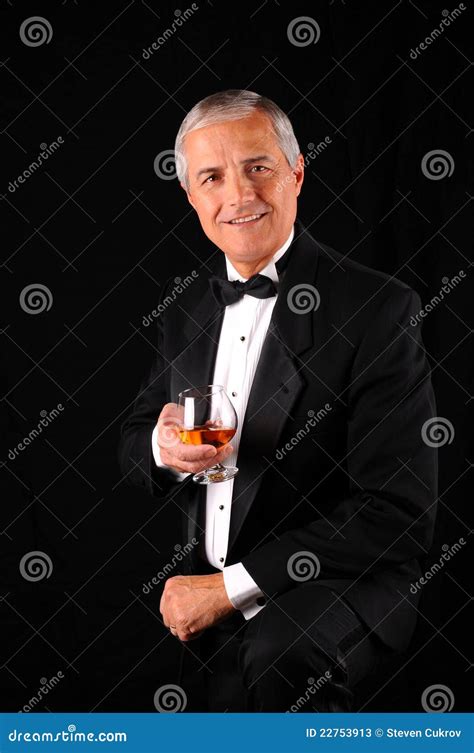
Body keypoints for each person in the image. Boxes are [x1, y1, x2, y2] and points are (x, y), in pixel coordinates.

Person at [118, 89, 438, 712]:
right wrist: (159, 448)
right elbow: (134, 438)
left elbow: (398, 511)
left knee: (279, 654)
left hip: (338, 584)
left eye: (258, 167)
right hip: (208, 579)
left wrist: (228, 589)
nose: (238, 195)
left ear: (296, 172)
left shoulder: (378, 308)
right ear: (193, 199)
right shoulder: (186, 310)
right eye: (212, 177)